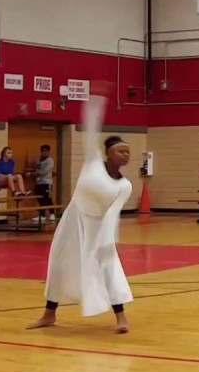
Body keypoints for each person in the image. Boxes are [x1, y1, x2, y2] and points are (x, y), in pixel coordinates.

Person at [27, 93, 134, 334]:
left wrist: (108, 239)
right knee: (59, 266)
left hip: (98, 229)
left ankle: (121, 317)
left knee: (108, 267)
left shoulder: (124, 186)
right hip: (73, 221)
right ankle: (49, 314)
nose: (125, 155)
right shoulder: (93, 163)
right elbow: (92, 131)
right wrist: (96, 103)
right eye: (120, 151)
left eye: (128, 152)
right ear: (108, 154)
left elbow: (113, 214)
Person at [33, 145, 56, 222]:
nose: (45, 152)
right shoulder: (39, 159)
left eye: (46, 151)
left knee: (46, 198)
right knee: (40, 198)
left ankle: (45, 214)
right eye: (43, 151)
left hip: (46, 182)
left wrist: (34, 174)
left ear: (49, 152)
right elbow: (36, 167)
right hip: (39, 182)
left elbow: (44, 171)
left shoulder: (50, 161)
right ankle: (46, 213)